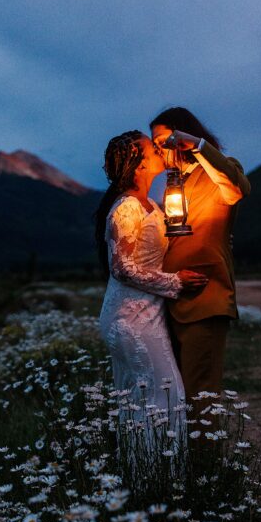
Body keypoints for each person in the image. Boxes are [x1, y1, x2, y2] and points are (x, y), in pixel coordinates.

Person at [93, 130, 208, 466]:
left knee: (145, 397)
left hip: (148, 313)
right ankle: (155, 479)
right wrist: (175, 283)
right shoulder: (126, 208)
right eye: (151, 147)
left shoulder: (152, 205)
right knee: (163, 394)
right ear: (138, 163)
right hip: (129, 317)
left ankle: (143, 476)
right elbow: (122, 268)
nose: (158, 149)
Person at [148, 108, 251, 419]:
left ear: (184, 135)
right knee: (176, 393)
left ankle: (206, 465)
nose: (160, 150)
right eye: (155, 144)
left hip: (205, 296)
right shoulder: (168, 185)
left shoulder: (221, 173)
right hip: (168, 299)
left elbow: (238, 189)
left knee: (201, 392)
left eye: (163, 141)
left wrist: (197, 146)